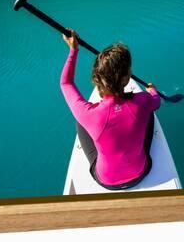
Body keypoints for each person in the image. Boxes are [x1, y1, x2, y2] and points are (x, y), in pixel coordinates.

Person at [60, 29, 161, 190]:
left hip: (106, 181)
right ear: (127, 78)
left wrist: (73, 50)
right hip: (141, 173)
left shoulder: (89, 114)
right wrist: (153, 91)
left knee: (80, 122)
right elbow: (157, 102)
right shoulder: (143, 101)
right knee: (149, 113)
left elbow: (66, 83)